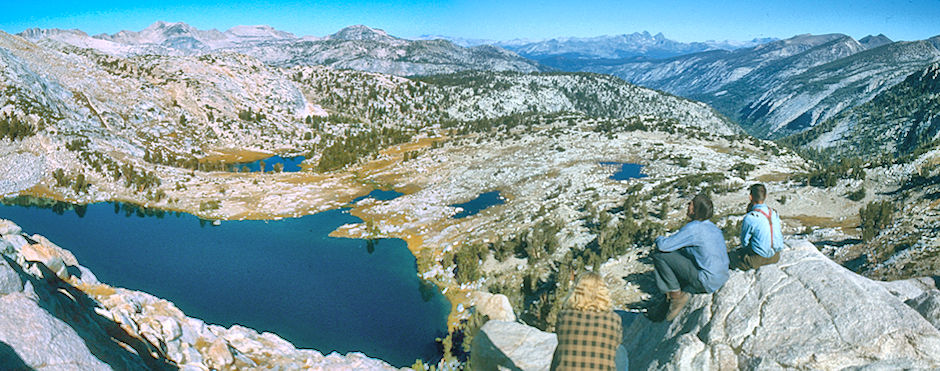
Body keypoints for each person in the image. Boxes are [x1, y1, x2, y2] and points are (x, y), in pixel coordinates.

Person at [650, 193, 729, 322]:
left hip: (706, 281)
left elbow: (664, 246)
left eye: (690, 204)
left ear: (695, 210)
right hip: (721, 277)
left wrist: (658, 238)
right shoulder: (713, 228)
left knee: (659, 255)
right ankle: (669, 299)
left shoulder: (694, 228)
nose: (687, 207)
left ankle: (676, 297)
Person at [551, 272, 624, 371]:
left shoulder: (564, 316)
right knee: (620, 351)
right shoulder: (614, 319)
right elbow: (616, 344)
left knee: (560, 349)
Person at [733, 183, 784, 270]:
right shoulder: (774, 213)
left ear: (750, 197)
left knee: (731, 257)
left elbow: (744, 242)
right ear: (765, 196)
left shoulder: (750, 217)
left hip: (757, 259)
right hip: (776, 256)